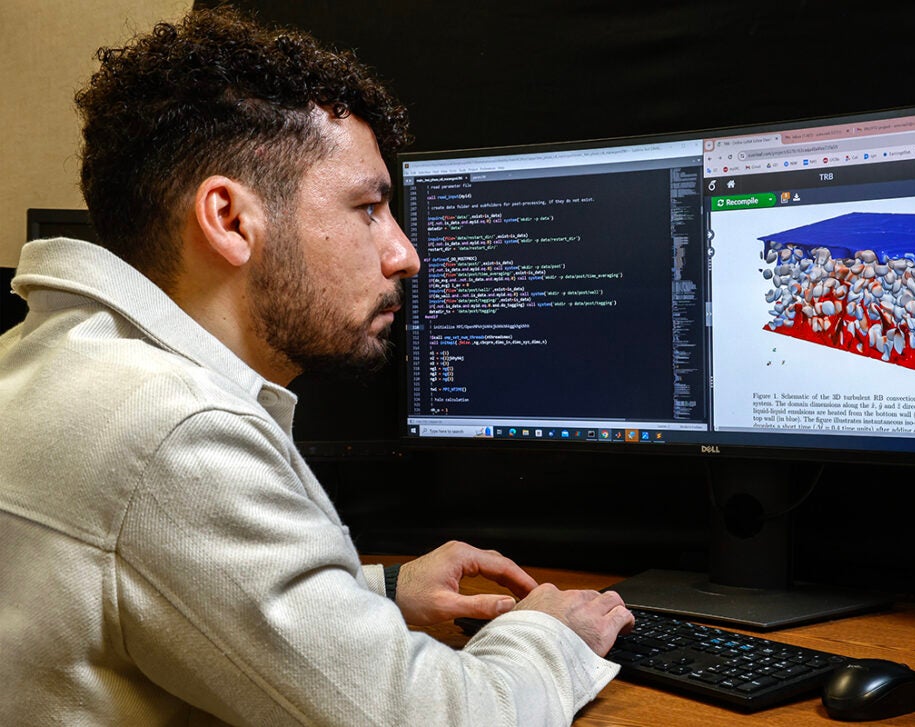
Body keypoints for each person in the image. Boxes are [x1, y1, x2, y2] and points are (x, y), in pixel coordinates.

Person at [0, 6, 633, 726]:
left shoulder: (52, 362)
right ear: (230, 219)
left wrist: (380, 589)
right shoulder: (176, 433)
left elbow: (159, 579)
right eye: (369, 207)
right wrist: (552, 634)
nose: (405, 254)